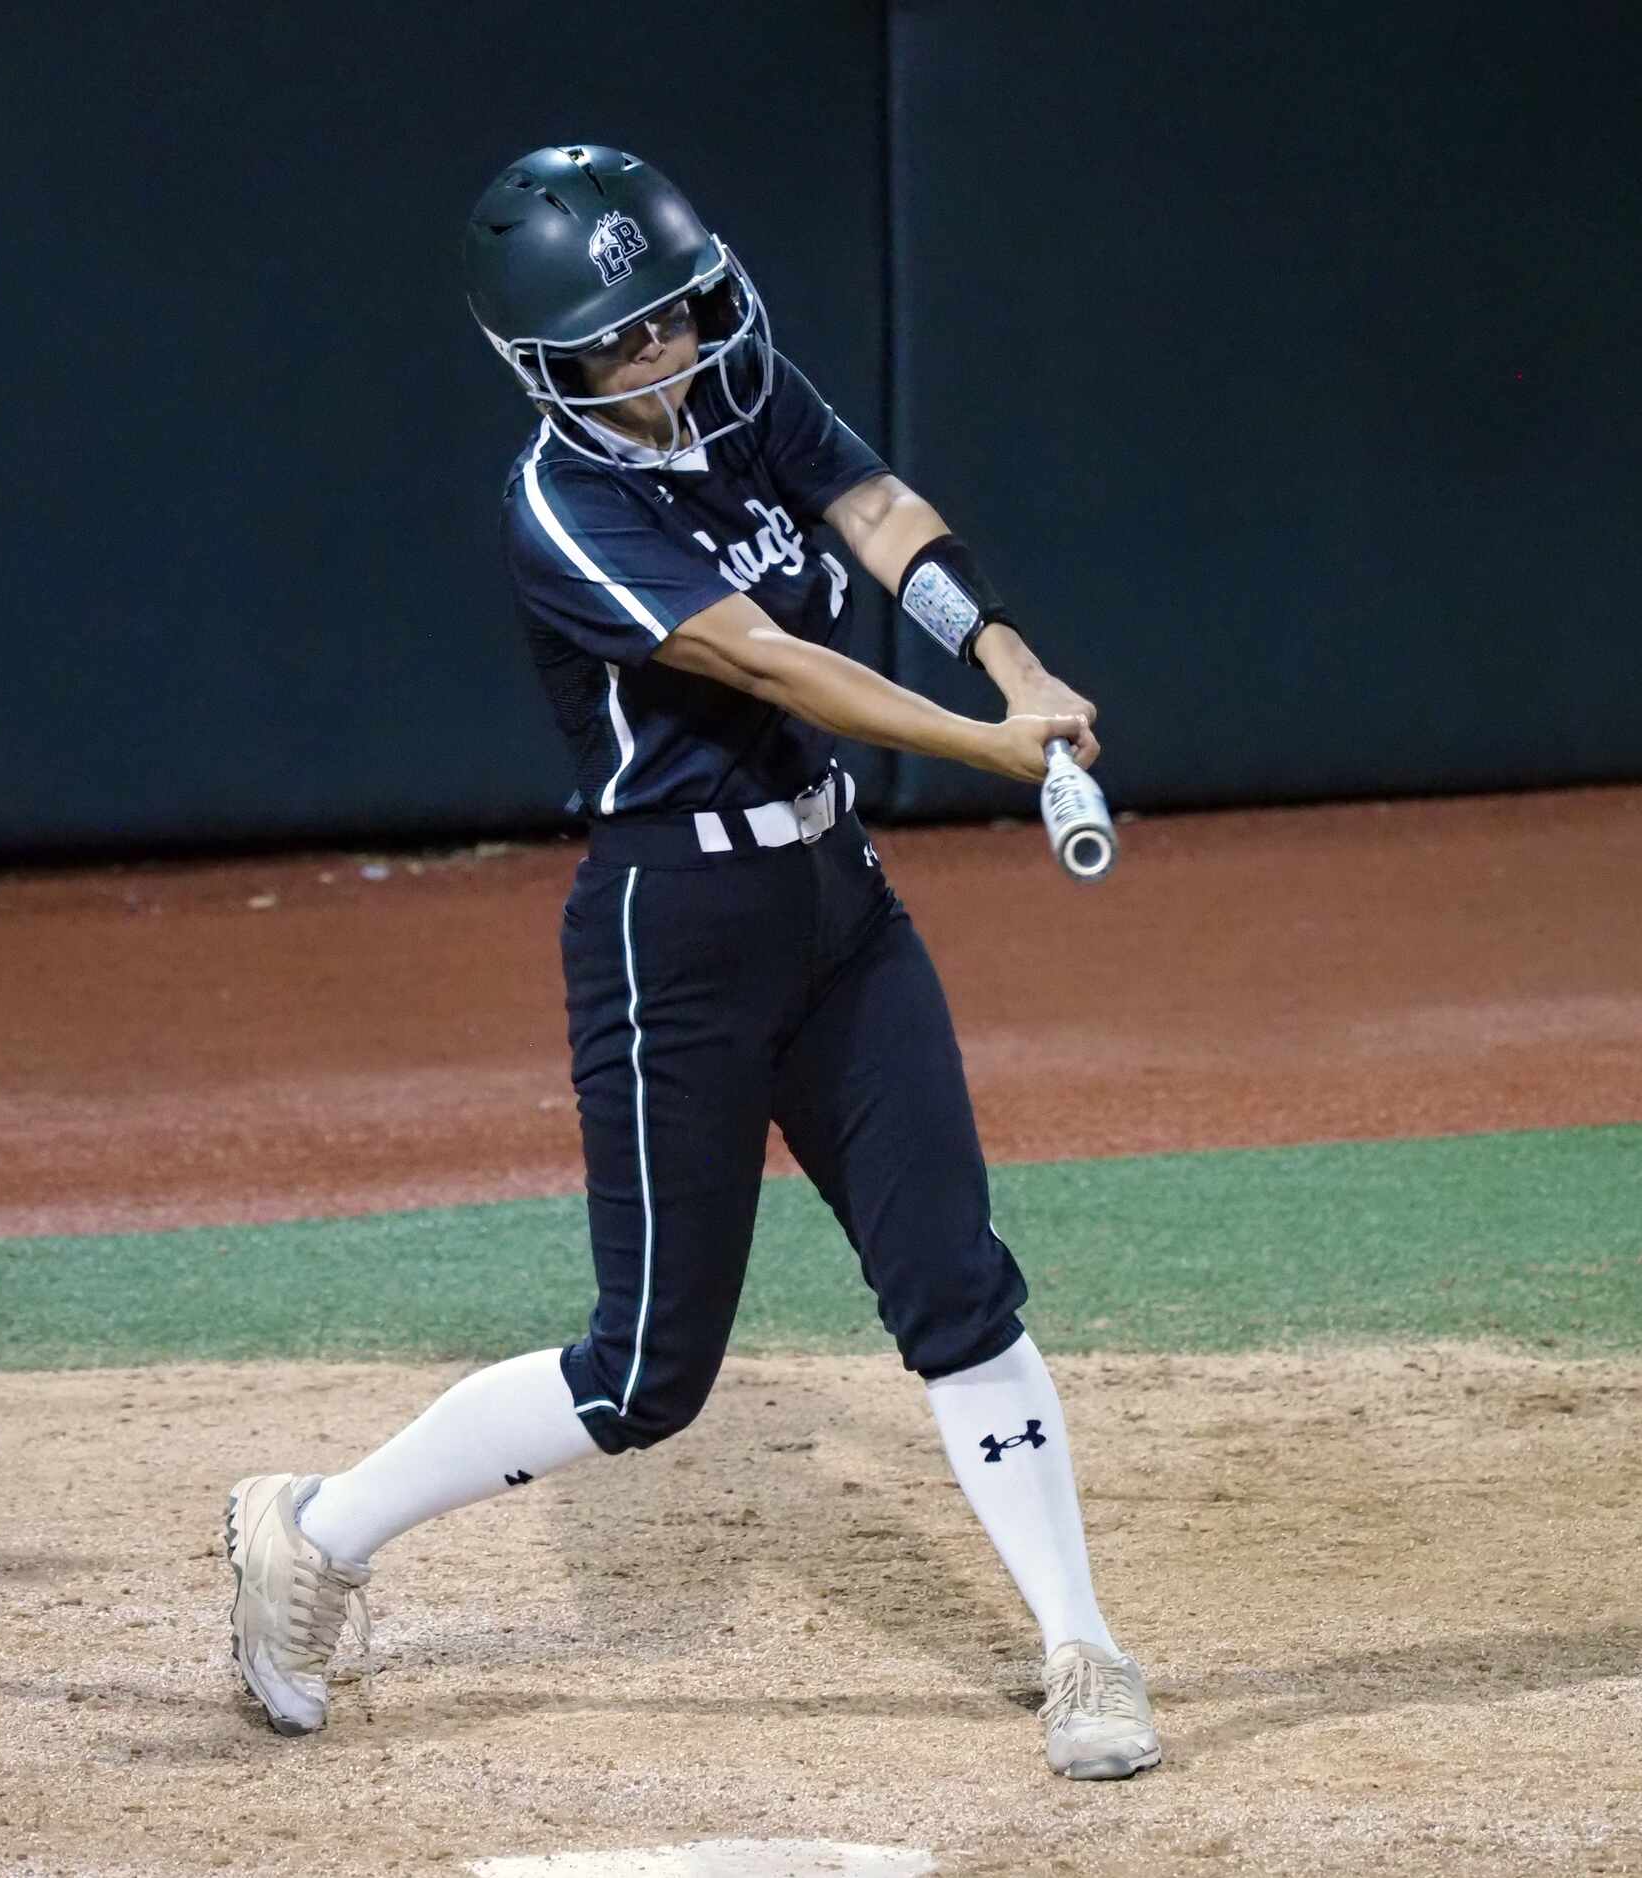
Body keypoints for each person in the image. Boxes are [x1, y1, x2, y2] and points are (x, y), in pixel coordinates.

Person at [222, 144, 1162, 1782]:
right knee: (646, 1370)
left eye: (678, 312)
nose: (669, 350)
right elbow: (770, 656)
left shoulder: (742, 391)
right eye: (626, 337)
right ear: (551, 364)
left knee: (953, 1277)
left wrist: (1014, 655)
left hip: (836, 906)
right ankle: (315, 1527)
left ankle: (1080, 1646)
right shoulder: (558, 505)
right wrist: (987, 746)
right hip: (676, 935)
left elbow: (874, 511)